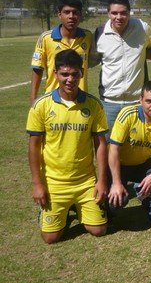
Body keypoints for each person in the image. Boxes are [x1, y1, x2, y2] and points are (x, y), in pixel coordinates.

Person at [26, 49, 108, 243]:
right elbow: (34, 146)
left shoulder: (93, 105)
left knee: (98, 230)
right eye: (64, 74)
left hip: (85, 181)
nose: (70, 79)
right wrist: (37, 184)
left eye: (74, 74)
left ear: (82, 73)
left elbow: (100, 144)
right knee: (51, 238)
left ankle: (78, 207)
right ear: (55, 73)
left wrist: (102, 180)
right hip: (54, 182)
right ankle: (56, 211)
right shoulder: (41, 105)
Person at [107, 80, 151, 228]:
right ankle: (107, 212)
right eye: (149, 101)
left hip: (142, 164)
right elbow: (113, 150)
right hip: (119, 165)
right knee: (116, 202)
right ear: (141, 100)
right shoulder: (128, 115)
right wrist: (116, 183)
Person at [92, 0, 151, 133]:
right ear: (108, 14)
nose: (119, 17)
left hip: (137, 102)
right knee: (107, 143)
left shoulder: (142, 28)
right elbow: (92, 59)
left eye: (123, 13)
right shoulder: (100, 33)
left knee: (136, 144)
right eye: (114, 13)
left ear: (129, 13)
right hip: (109, 103)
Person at [30, 0, 92, 105]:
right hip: (53, 101)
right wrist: (33, 98)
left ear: (80, 15)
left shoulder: (88, 37)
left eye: (75, 12)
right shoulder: (46, 38)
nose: (71, 16)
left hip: (80, 100)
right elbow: (37, 69)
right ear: (59, 15)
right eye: (67, 12)